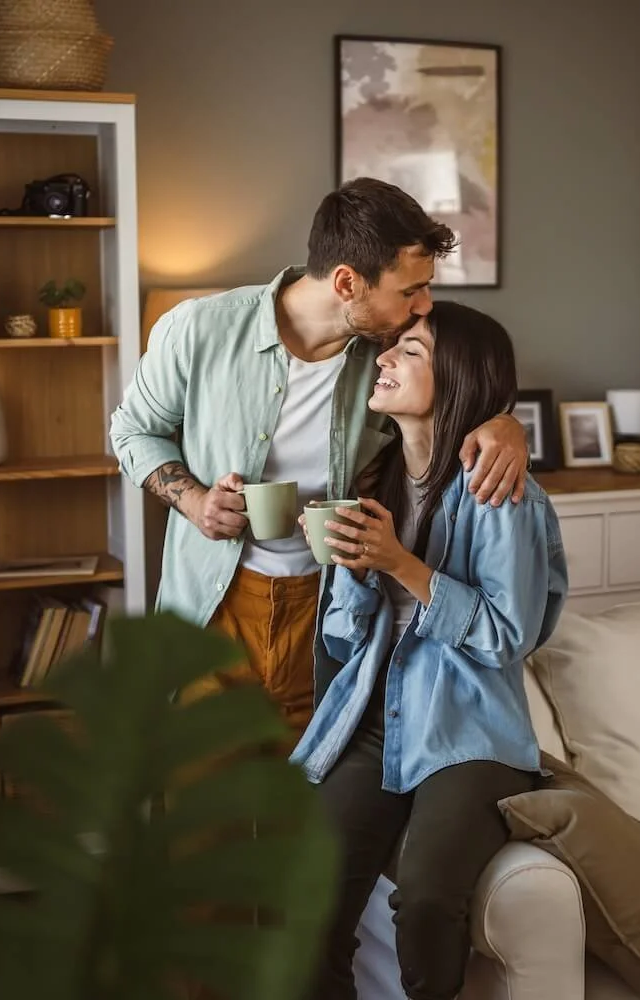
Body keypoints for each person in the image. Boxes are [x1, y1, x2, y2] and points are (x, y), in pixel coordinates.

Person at [109, 178, 530, 742]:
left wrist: (505, 421)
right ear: (347, 282)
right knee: (202, 809)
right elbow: (133, 430)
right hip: (213, 605)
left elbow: (460, 380)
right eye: (411, 290)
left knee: (307, 807)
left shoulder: (385, 356)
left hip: (331, 610)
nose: (423, 305)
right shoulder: (198, 329)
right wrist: (193, 500)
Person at [291, 301, 569, 1000]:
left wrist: (400, 564)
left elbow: (509, 636)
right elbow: (347, 637)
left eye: (409, 352)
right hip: (376, 721)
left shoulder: (500, 494)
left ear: (458, 378)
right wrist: (352, 571)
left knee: (426, 903)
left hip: (468, 733)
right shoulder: (376, 480)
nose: (384, 361)